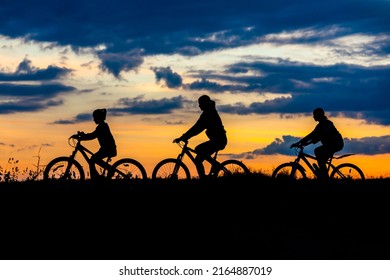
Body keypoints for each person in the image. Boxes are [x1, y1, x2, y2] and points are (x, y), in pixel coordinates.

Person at [174, 95, 227, 178]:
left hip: (218, 141)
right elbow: (196, 128)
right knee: (198, 158)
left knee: (198, 150)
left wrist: (183, 137)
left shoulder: (208, 114)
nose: (199, 106)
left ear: (204, 103)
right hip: (217, 140)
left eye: (200, 104)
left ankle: (210, 171)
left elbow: (196, 128)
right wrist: (184, 137)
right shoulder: (208, 112)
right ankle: (211, 169)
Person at [291, 107, 344, 180]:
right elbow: (311, 135)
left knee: (319, 154)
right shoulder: (320, 125)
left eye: (314, 115)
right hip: (330, 145)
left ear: (319, 115)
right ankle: (323, 173)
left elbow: (321, 135)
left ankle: (324, 176)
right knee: (318, 152)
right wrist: (299, 142)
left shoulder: (327, 124)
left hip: (336, 144)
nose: (313, 117)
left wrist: (309, 142)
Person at [73, 108, 117, 179]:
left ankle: (96, 178)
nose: (94, 120)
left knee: (93, 159)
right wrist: (83, 135)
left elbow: (92, 136)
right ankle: (100, 176)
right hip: (106, 149)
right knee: (94, 159)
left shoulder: (102, 126)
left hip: (108, 149)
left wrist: (81, 138)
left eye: (95, 118)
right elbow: (92, 134)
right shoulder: (102, 126)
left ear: (98, 117)